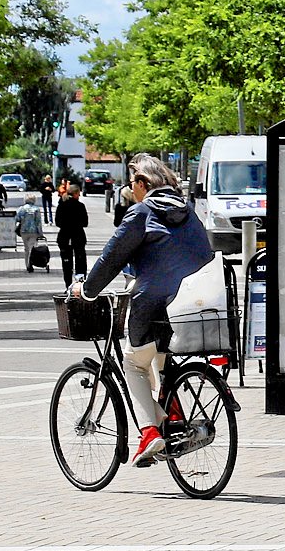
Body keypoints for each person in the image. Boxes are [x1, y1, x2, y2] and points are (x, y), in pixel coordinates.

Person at [71, 155, 214, 467]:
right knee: (162, 361)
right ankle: (174, 416)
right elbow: (205, 252)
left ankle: (149, 432)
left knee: (134, 364)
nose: (130, 189)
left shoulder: (141, 212)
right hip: (189, 306)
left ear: (142, 184)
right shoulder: (188, 212)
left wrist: (87, 289)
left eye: (132, 183)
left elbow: (112, 257)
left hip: (150, 303)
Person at [54, 181, 88, 287]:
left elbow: (57, 222)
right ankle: (80, 283)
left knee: (66, 262)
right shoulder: (80, 206)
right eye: (78, 193)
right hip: (78, 236)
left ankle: (68, 284)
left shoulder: (61, 205)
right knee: (80, 261)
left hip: (64, 236)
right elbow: (85, 223)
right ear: (75, 193)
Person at [15, 194, 44, 273]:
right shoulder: (36, 209)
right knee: (31, 247)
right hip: (33, 231)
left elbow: (17, 218)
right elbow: (38, 222)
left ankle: (27, 265)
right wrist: (40, 233)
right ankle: (31, 263)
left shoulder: (22, 209)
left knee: (26, 248)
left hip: (24, 231)